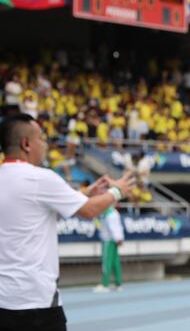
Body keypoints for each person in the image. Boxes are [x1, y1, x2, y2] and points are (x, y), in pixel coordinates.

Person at [0, 114, 135, 331]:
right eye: (41, 139)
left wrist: (83, 193)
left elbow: (35, 207)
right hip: (37, 303)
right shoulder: (40, 178)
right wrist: (117, 191)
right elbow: (89, 211)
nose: (45, 145)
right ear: (26, 144)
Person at [94, 206, 125, 293]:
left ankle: (105, 285)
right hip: (112, 239)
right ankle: (118, 283)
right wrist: (119, 238)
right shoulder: (109, 212)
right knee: (115, 262)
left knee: (106, 262)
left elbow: (114, 227)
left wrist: (118, 238)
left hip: (108, 240)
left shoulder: (110, 213)